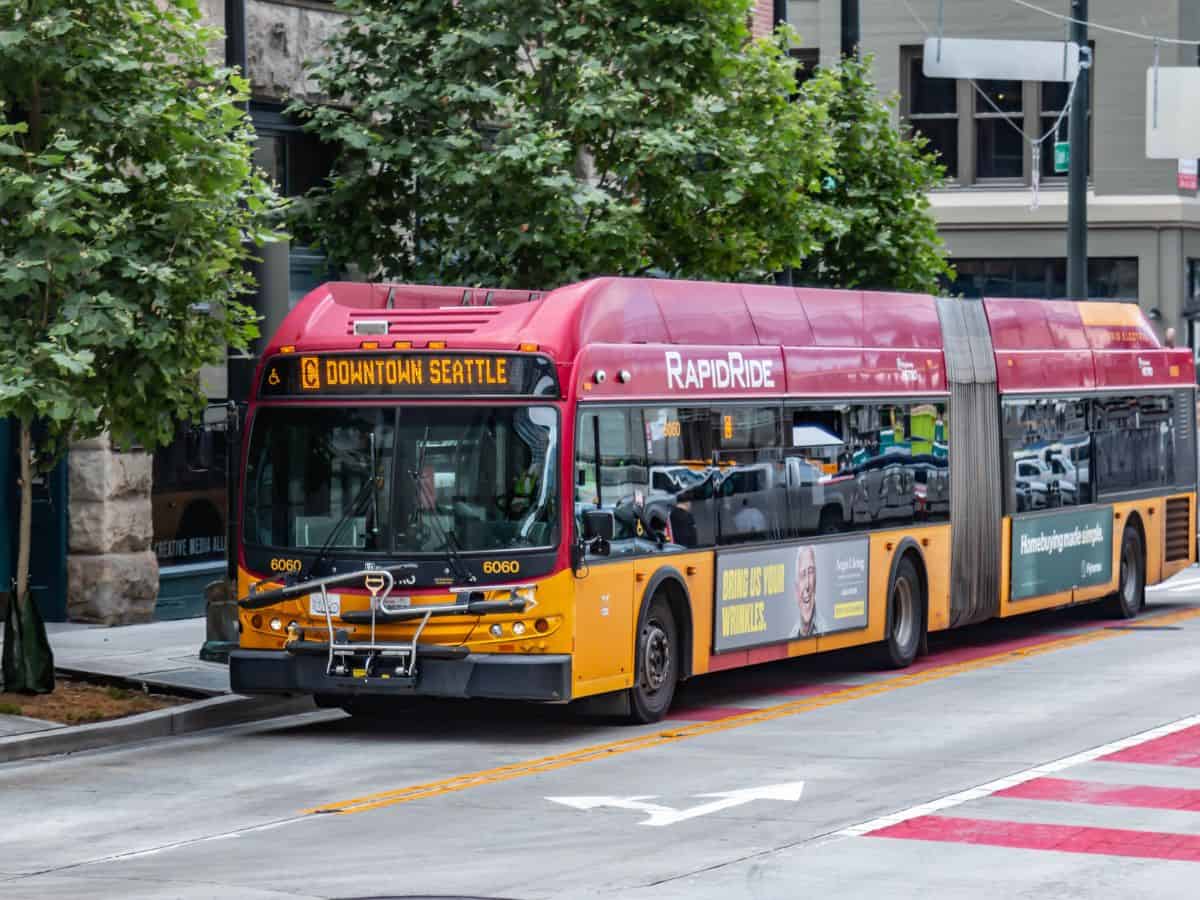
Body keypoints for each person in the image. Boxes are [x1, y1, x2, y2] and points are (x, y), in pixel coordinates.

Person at [794, 545, 821, 638]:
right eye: (802, 574)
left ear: (816, 580)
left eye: (811, 572)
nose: (807, 584)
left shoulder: (828, 630)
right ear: (796, 588)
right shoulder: (790, 636)